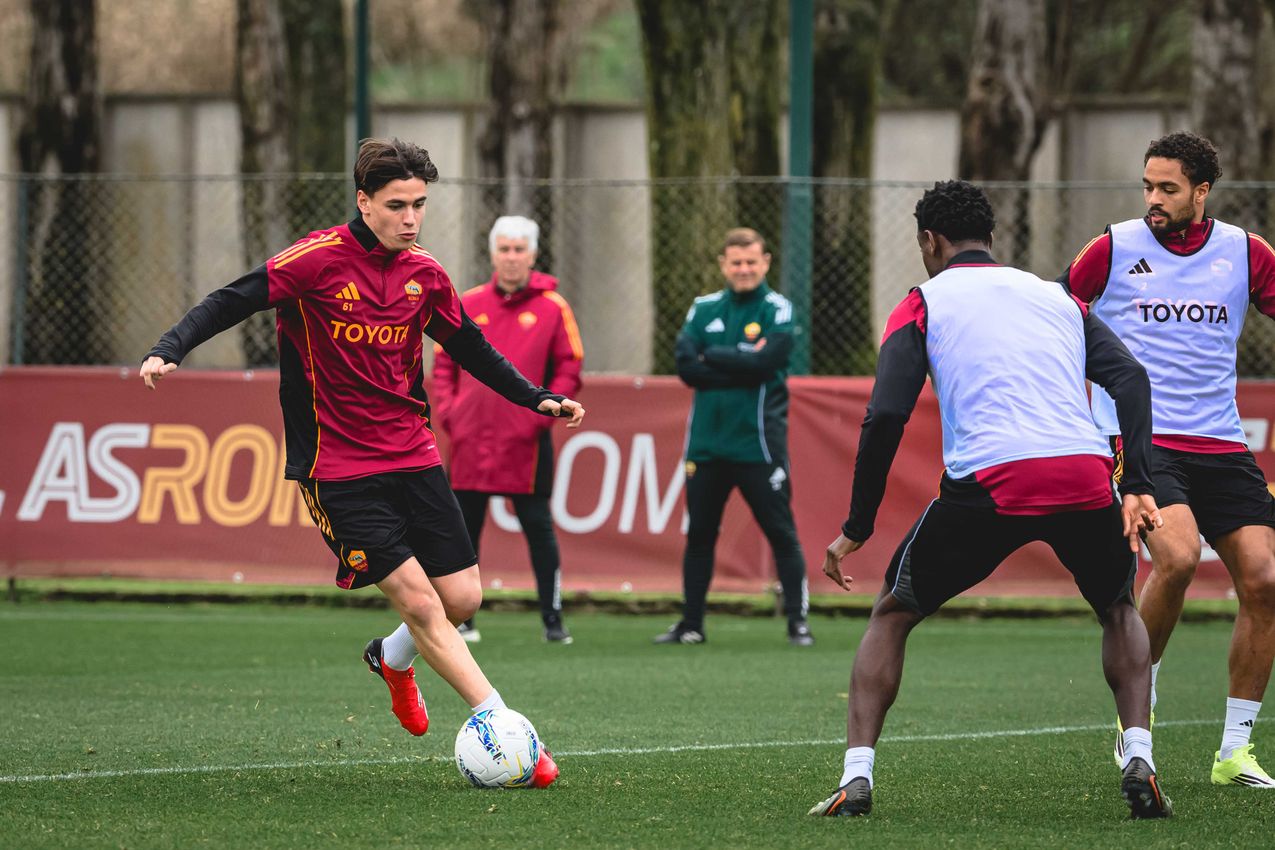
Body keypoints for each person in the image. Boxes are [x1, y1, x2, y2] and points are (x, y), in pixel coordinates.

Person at [139, 138, 584, 789]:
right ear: (364, 202)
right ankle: (506, 731)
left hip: (413, 453)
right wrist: (170, 346)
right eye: (397, 205)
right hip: (338, 468)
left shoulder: (424, 274)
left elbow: (469, 345)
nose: (411, 218)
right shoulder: (315, 260)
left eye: (420, 204)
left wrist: (534, 395)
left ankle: (391, 659)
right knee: (422, 603)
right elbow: (232, 299)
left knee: (462, 597)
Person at [809, 180, 1171, 819]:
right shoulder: (1057, 297)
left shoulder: (922, 301)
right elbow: (1131, 379)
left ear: (930, 240)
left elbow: (886, 414)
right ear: (991, 237)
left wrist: (857, 525)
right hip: (1084, 474)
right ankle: (1138, 755)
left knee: (892, 613)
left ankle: (855, 778)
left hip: (991, 480)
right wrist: (1138, 484)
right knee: (1118, 609)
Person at [1060, 131, 1275, 788]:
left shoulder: (1245, 252)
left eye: (1168, 189)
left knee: (1265, 581)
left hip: (1223, 443)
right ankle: (1137, 708)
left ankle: (1234, 752)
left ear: (1200, 192)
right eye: (1147, 186)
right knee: (1177, 559)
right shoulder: (1111, 248)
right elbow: (1053, 319)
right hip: (1142, 441)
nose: (1153, 199)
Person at [654, 227, 813, 647]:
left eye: (751, 262)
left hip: (758, 445)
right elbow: (686, 368)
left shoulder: (778, 309)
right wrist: (742, 361)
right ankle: (691, 625)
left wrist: (713, 355)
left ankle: (797, 622)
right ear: (724, 265)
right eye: (736, 262)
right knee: (700, 536)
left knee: (780, 532)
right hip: (706, 447)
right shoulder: (703, 307)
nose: (744, 269)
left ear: (765, 263)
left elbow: (767, 362)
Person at [433, 215, 583, 645]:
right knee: (462, 531)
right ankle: (462, 618)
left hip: (526, 443)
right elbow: (443, 364)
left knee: (538, 528)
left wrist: (542, 414)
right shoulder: (469, 301)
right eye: (504, 249)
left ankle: (552, 619)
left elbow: (570, 366)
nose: (512, 257)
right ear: (493, 254)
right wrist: (452, 413)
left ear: (533, 255)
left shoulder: (554, 307)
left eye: (519, 249)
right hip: (470, 440)